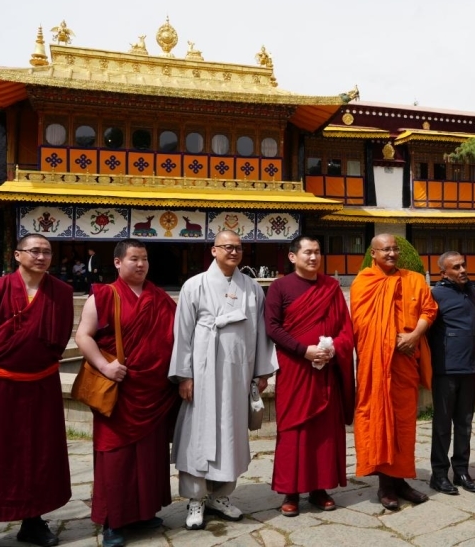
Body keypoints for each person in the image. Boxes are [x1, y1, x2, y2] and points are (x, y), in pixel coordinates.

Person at [0, 233, 73, 547]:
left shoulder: (61, 293)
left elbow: (61, 336)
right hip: (0, 386)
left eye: (47, 252)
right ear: (18, 255)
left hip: (42, 384)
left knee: (38, 453)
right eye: (35, 251)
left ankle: (32, 522)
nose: (42, 257)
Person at [169, 230, 278, 530]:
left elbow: (261, 333)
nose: (233, 252)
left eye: (238, 248)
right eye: (227, 247)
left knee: (232, 432)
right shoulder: (194, 285)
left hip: (238, 373)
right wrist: (184, 375)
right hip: (203, 372)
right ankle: (195, 498)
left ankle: (221, 495)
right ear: (214, 251)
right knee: (198, 433)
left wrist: (261, 372)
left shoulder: (252, 288)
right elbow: (183, 333)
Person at [75, 238, 179, 547]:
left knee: (149, 457)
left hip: (153, 392)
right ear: (118, 262)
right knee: (115, 458)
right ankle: (113, 520)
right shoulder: (104, 295)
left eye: (144, 258)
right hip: (120, 392)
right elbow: (83, 336)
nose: (141, 264)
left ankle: (143, 512)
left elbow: (179, 337)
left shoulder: (160, 298)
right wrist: (104, 367)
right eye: (134, 258)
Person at [265, 237, 355, 516]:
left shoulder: (330, 287)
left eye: (317, 252)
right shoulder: (280, 287)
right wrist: (303, 351)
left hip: (326, 369)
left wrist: (331, 350)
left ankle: (319, 488)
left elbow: (345, 329)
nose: (314, 257)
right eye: (307, 252)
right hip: (295, 368)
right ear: (293, 257)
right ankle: (290, 491)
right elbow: (272, 327)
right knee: (293, 429)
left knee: (324, 431)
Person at [351, 234, 437, 510]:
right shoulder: (364, 282)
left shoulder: (414, 279)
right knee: (378, 419)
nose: (391, 253)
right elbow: (361, 325)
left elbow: (429, 310)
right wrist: (390, 341)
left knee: (403, 424)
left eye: (394, 249)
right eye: (385, 249)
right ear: (373, 254)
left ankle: (400, 481)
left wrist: (414, 336)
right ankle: (385, 486)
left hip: (405, 363)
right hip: (377, 366)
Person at [428, 251, 475, 495]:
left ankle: (461, 470)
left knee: (465, 423)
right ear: (443, 273)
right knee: (442, 424)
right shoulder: (436, 294)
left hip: (469, 367)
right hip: (446, 369)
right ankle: (439, 474)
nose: (462, 270)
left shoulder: (472, 292)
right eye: (456, 267)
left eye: (463, 265)